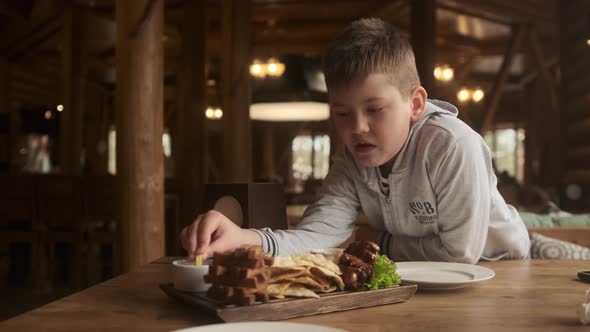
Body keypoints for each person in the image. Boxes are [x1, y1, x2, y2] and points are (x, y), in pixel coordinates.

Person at [180, 18, 530, 263]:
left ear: (416, 103)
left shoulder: (452, 146)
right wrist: (241, 237)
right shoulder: (351, 159)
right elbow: (317, 236)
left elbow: (460, 254)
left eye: (374, 109)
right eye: (342, 113)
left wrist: (378, 242)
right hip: (417, 279)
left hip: (504, 270)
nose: (358, 127)